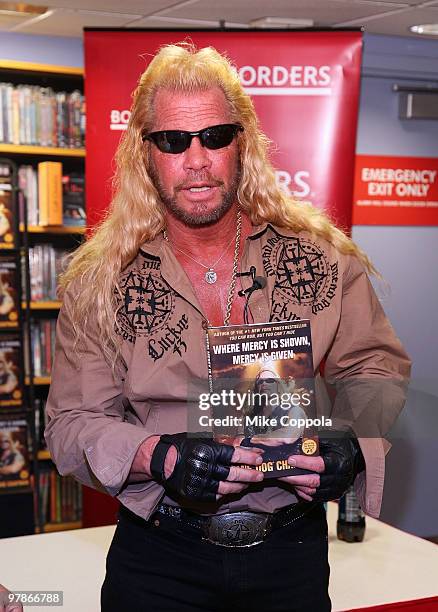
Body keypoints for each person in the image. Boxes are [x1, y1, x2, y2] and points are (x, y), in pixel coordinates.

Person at [45, 43, 411, 611]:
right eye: (172, 141)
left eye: (215, 136)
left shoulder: (320, 258)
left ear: (244, 144)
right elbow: (71, 424)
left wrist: (353, 444)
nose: (196, 159)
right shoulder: (100, 280)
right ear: (145, 154)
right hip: (159, 559)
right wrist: (157, 455)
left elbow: (375, 367)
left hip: (291, 553)